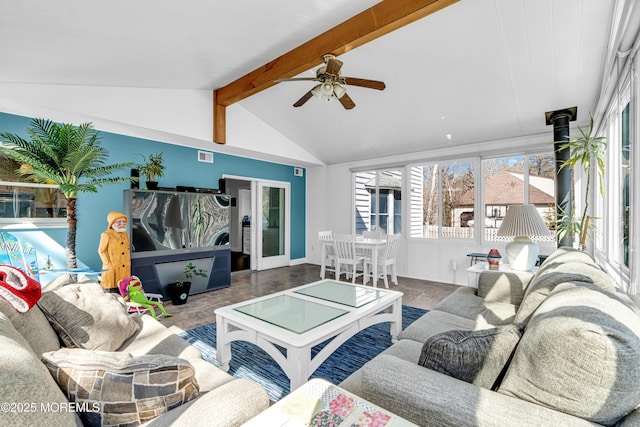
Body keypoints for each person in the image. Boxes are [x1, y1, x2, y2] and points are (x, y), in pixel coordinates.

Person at [98, 211, 131, 293]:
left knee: (124, 289)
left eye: (124, 221)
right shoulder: (106, 234)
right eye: (119, 221)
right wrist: (108, 263)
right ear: (112, 223)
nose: (122, 223)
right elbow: (101, 250)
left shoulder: (125, 235)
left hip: (125, 267)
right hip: (112, 267)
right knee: (112, 289)